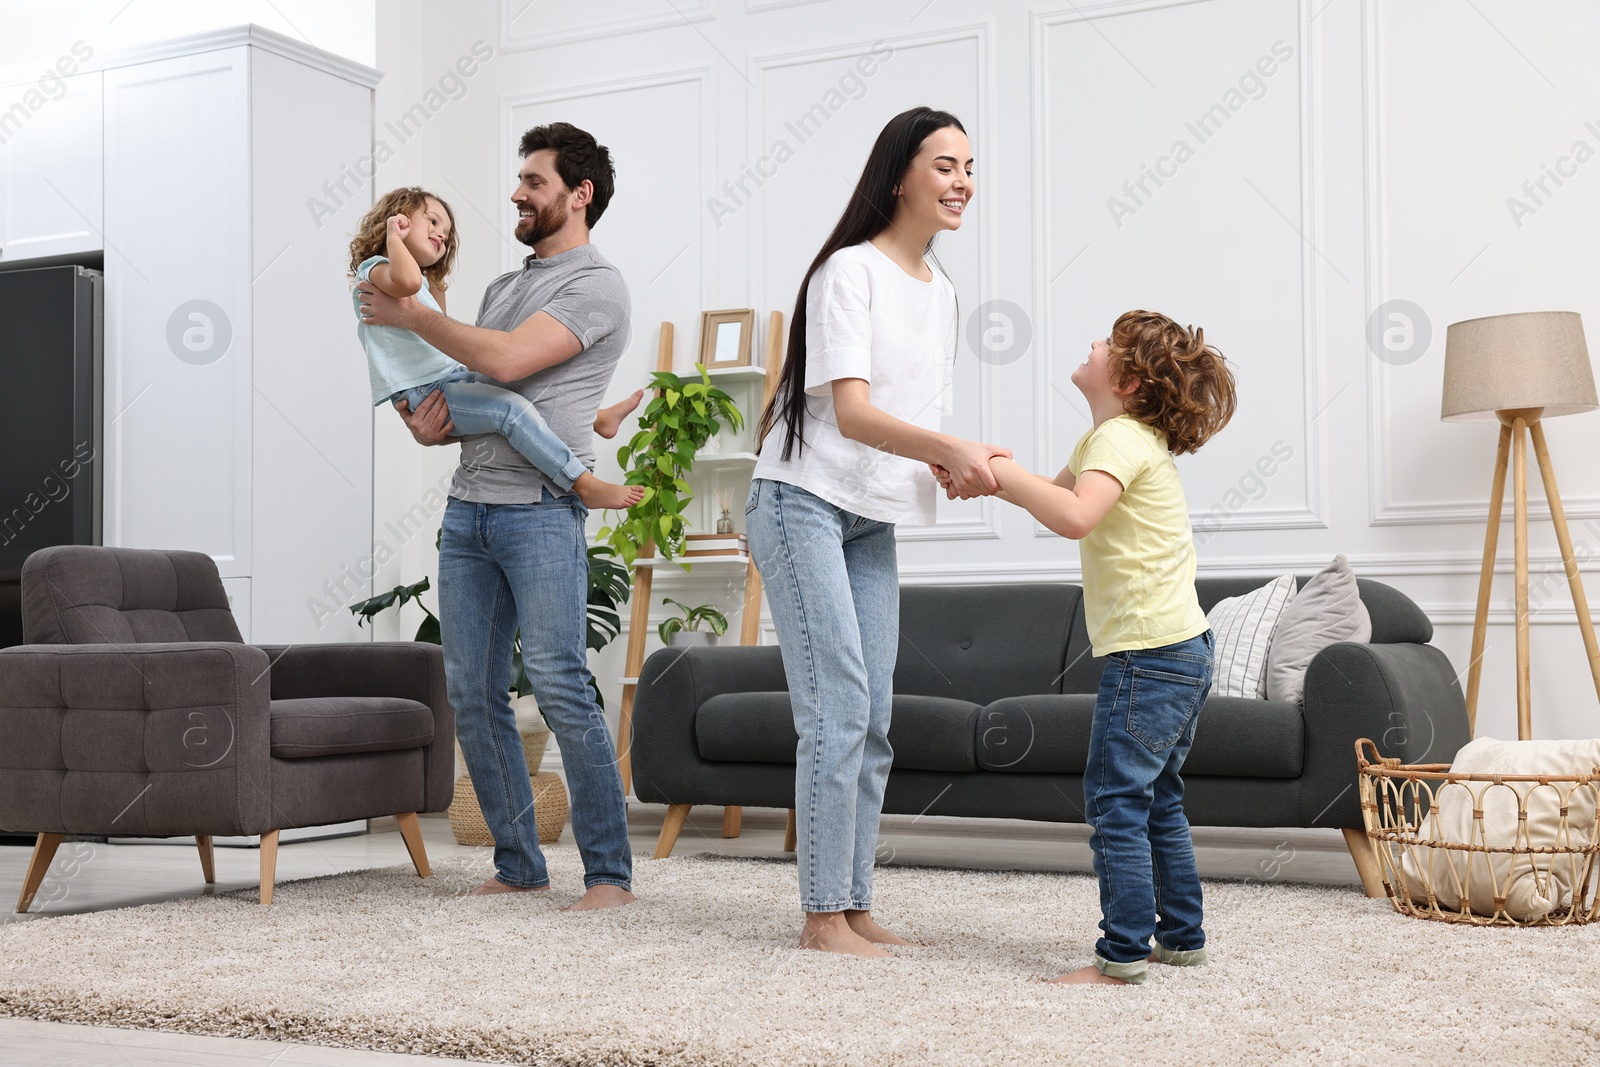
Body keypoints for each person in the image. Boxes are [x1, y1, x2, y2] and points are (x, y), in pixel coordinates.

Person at [747, 106, 1013, 957]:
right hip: (801, 502)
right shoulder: (847, 273)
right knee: (836, 708)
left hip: (871, 517)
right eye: (945, 165)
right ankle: (823, 916)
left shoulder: (945, 296)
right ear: (899, 174)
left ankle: (852, 902)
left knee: (876, 714)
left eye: (970, 166)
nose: (962, 180)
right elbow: (855, 413)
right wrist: (946, 446)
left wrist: (950, 464)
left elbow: (907, 421)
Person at [358, 124, 636, 909]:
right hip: (469, 512)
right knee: (473, 693)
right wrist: (426, 417)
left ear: (578, 195)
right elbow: (467, 382)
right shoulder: (503, 287)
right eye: (518, 179)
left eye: (534, 181)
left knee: (559, 682)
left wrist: (413, 319)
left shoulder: (598, 285)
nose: (516, 192)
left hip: (541, 513)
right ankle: (519, 863)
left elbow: (508, 365)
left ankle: (610, 872)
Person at [944, 311, 1235, 984]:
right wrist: (983, 472)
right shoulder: (1113, 440)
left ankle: (1123, 953)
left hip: (1151, 656)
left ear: (1128, 379)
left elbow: (1074, 518)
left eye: (1107, 344)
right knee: (1157, 798)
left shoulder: (1118, 440)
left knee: (1114, 800)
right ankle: (1181, 937)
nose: (1093, 343)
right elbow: (1051, 498)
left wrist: (992, 470)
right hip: (1181, 648)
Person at [348, 186, 644, 511]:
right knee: (509, 411)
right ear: (398, 219)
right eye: (432, 222)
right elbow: (405, 283)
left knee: (513, 390)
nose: (440, 235)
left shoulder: (419, 283)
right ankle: (581, 482)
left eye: (445, 234)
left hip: (448, 378)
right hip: (426, 391)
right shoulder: (374, 268)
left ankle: (594, 419)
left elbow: (436, 330)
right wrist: (393, 236)